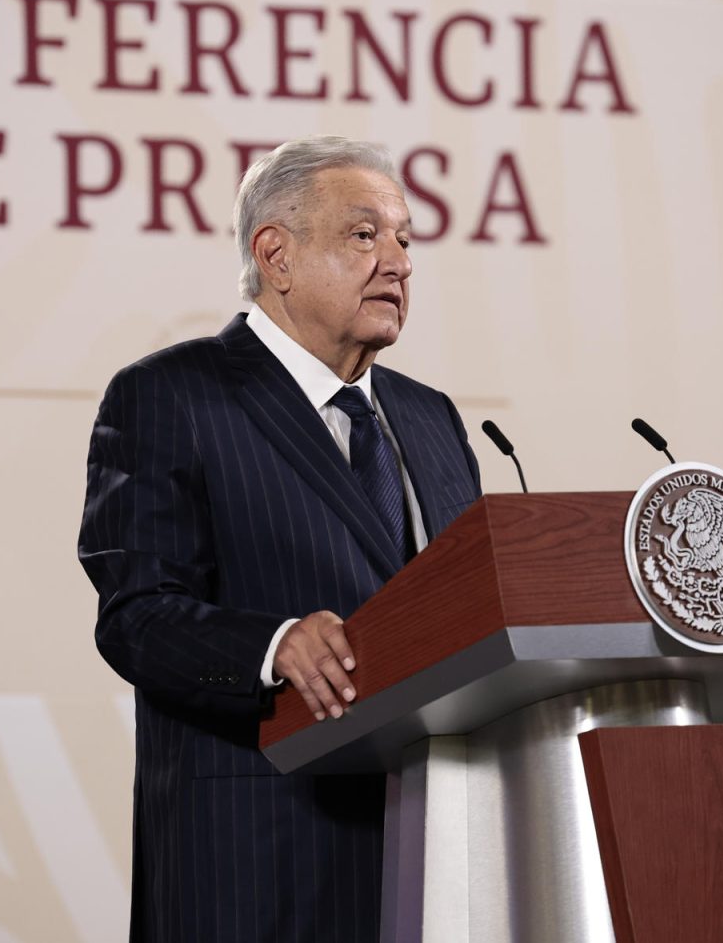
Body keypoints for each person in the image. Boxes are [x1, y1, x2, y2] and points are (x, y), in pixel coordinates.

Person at [78, 135, 482, 943]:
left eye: (406, 238)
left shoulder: (431, 417)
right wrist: (273, 647)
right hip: (257, 862)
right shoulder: (172, 396)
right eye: (365, 235)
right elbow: (137, 616)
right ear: (277, 255)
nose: (399, 262)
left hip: (435, 859)